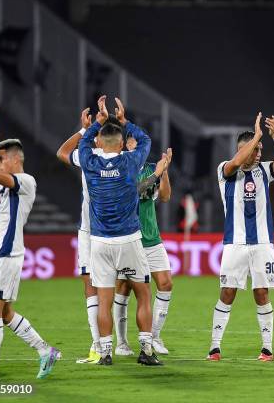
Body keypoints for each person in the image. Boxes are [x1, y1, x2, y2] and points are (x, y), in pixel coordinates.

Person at [0, 117, 59, 381]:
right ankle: (44, 351)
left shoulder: (26, 181)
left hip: (6, 254)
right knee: (4, 313)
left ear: (14, 159)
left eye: (0, 157)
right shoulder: (3, 184)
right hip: (0, 254)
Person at [207, 112, 274, 362]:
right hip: (234, 243)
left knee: (262, 293)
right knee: (227, 292)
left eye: (259, 150)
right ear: (243, 149)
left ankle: (267, 348)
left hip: (262, 244)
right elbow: (236, 163)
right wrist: (256, 136)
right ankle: (214, 347)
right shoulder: (225, 170)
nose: (258, 155)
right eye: (254, 150)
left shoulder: (265, 171)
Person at [79, 96, 160, 366]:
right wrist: (124, 121)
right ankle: (146, 350)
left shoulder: (90, 163)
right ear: (122, 144)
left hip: (100, 242)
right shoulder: (130, 163)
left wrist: (97, 124)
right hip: (129, 239)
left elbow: (82, 144)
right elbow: (145, 140)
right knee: (143, 293)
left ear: (100, 144)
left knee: (104, 299)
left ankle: (105, 352)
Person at [113, 138, 174, 357]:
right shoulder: (119, 167)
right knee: (125, 287)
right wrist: (157, 173)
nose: (135, 147)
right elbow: (134, 193)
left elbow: (165, 197)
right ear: (123, 145)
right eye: (131, 142)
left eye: (138, 143)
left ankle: (155, 336)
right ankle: (121, 342)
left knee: (165, 284)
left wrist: (164, 171)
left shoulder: (151, 168)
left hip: (151, 237)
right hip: (130, 238)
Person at [56, 107, 103, 364]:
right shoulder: (121, 156)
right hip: (100, 231)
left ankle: (101, 345)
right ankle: (102, 345)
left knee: (98, 286)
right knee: (101, 285)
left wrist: (85, 128)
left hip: (98, 231)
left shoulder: (89, 157)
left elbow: (62, 152)